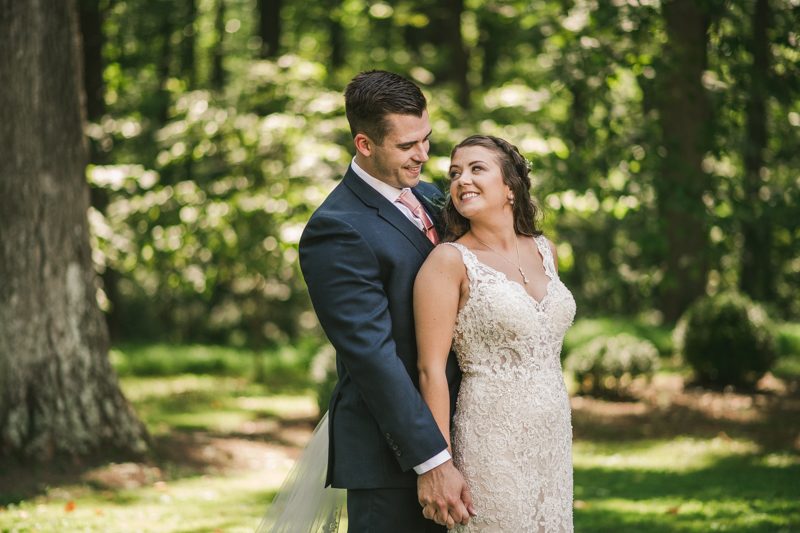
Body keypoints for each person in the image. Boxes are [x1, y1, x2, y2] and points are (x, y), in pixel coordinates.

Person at [296, 70, 474, 532]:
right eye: (407, 146)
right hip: (395, 461)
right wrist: (431, 461)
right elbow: (374, 358)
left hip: (468, 435)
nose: (424, 155)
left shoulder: (435, 196)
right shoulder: (336, 228)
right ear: (365, 144)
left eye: (427, 139)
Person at [414, 135, 577, 532]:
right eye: (454, 173)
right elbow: (430, 370)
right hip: (490, 437)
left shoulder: (546, 251)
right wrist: (442, 464)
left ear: (510, 187)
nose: (461, 180)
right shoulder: (448, 261)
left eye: (476, 168)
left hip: (553, 435)